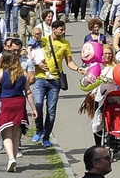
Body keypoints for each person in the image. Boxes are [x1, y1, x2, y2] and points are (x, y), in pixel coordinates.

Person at [32, 20, 86, 148]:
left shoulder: (65, 44)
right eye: (61, 29)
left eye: (64, 29)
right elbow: (30, 54)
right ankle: (39, 129)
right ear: (54, 29)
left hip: (55, 81)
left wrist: (78, 69)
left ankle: (46, 136)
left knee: (51, 110)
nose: (63, 32)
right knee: (38, 105)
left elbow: (69, 62)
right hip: (40, 78)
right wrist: (37, 63)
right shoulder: (43, 40)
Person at [0, 50, 36, 172]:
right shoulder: (23, 73)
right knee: (15, 133)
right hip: (19, 103)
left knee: (6, 134)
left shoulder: (0, 73)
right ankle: (14, 159)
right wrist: (34, 109)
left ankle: (11, 158)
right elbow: (28, 92)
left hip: (5, 103)